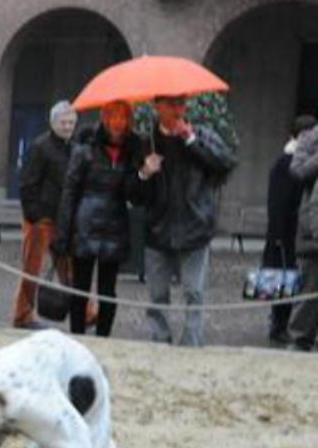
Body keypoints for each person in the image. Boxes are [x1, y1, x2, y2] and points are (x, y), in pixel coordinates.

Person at [129, 95, 236, 347]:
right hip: (158, 229)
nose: (178, 109)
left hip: (194, 227)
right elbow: (133, 194)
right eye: (171, 104)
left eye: (181, 104)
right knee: (157, 295)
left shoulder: (202, 135)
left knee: (194, 292)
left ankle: (192, 341)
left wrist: (191, 141)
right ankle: (160, 339)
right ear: (157, 107)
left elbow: (226, 164)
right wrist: (144, 172)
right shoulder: (147, 143)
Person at [54, 101, 144, 337]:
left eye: (123, 118)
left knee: (108, 290)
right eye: (113, 117)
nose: (118, 123)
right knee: (80, 288)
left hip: (114, 224)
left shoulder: (133, 151)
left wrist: (143, 173)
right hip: (85, 223)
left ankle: (104, 336)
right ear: (104, 118)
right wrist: (62, 232)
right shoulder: (85, 148)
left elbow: (133, 194)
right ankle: (77, 334)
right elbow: (70, 191)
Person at [12, 101, 96, 329]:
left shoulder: (75, 149)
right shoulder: (40, 147)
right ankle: (22, 314)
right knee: (32, 267)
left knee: (70, 268)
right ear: (53, 123)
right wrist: (35, 216)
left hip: (64, 219)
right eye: (64, 122)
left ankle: (85, 312)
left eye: (71, 122)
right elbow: (27, 183)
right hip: (41, 220)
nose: (68, 126)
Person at [262, 115, 313, 345]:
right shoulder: (287, 163)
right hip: (286, 232)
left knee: (291, 280)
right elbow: (279, 203)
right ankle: (278, 326)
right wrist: (279, 234)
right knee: (284, 280)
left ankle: (282, 325)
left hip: (291, 230)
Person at [285, 123, 318, 351]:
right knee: (307, 296)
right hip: (313, 232)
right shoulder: (309, 139)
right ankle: (299, 343)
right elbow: (298, 171)